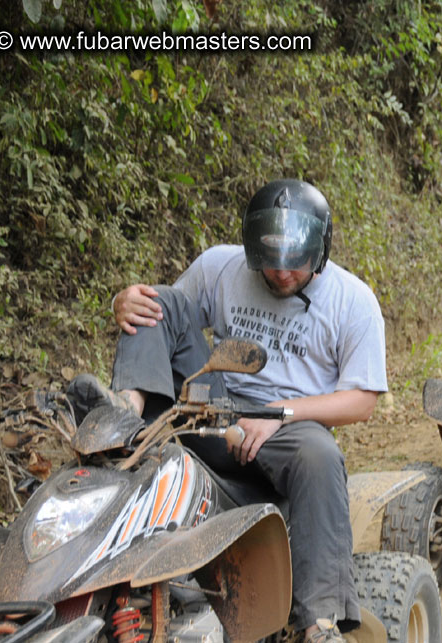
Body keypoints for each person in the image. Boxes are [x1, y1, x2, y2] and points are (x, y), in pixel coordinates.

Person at [74, 179, 387, 643]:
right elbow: (169, 320)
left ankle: (317, 622)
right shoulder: (220, 266)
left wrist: (280, 413)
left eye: (295, 267)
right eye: (269, 265)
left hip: (288, 428)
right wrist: (128, 303)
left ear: (320, 252)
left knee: (320, 456)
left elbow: (363, 401)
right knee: (161, 301)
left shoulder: (353, 302)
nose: (281, 276)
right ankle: (128, 412)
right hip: (212, 407)